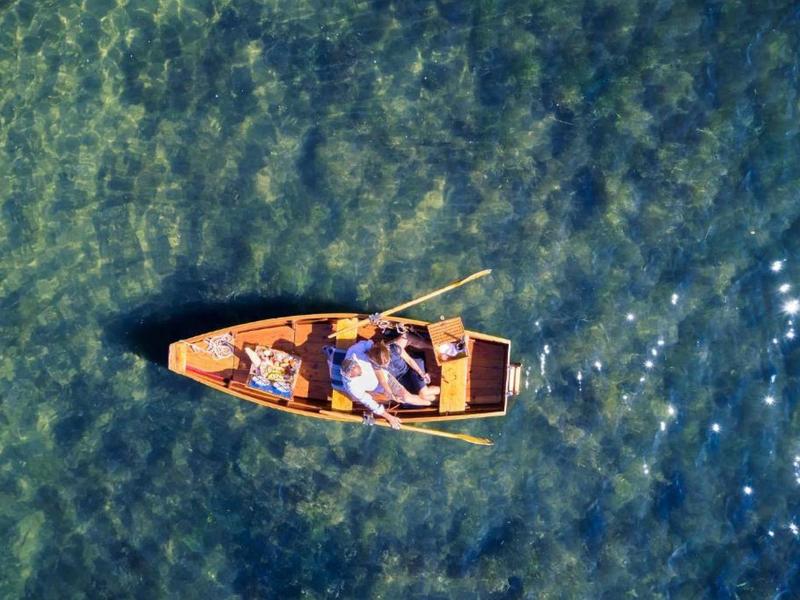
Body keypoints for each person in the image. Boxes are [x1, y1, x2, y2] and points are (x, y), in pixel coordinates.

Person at [381, 331, 440, 403]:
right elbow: (384, 381)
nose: (385, 365)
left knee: (423, 393)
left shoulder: (394, 348)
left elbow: (409, 360)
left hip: (412, 369)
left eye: (386, 361)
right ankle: (439, 400)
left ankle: (443, 390)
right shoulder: (377, 367)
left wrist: (421, 373)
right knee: (422, 397)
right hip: (404, 380)